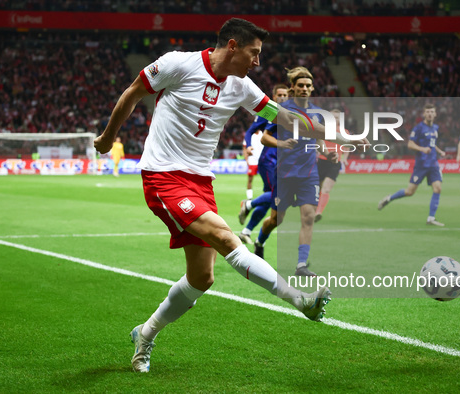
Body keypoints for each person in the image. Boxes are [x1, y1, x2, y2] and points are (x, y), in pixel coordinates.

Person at [94, 18, 358, 373]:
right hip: (163, 177)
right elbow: (133, 92)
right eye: (255, 53)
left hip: (201, 182)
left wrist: (341, 137)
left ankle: (144, 334)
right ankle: (301, 300)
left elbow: (283, 116)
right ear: (232, 45)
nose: (258, 62)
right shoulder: (178, 63)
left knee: (202, 278)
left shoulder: (243, 87)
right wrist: (109, 137)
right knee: (225, 236)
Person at [253, 66, 325, 276]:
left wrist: (327, 152)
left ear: (312, 89)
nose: (304, 89)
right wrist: (282, 144)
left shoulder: (316, 114)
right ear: (292, 87)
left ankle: (301, 265)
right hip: (284, 174)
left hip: (309, 173)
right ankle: (259, 241)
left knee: (308, 217)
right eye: (300, 85)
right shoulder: (281, 110)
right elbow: (265, 137)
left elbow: (318, 139)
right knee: (277, 219)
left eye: (308, 86)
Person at [377, 103, 446, 226]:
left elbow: (432, 143)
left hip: (433, 163)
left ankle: (431, 218)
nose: (430, 114)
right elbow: (410, 144)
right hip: (421, 165)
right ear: (424, 114)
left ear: (435, 114)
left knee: (438, 188)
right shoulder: (419, 128)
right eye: (428, 112)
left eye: (432, 112)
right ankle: (389, 198)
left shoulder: (435, 128)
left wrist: (439, 151)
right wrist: (422, 149)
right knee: (410, 191)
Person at [238, 84, 288, 245]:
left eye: (285, 95)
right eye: (279, 95)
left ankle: (246, 231)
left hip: (281, 162)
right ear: (274, 97)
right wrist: (248, 144)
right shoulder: (269, 112)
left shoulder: (291, 114)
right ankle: (249, 204)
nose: (282, 97)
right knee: (276, 195)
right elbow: (249, 131)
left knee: (270, 200)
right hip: (268, 161)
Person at [314, 109, 349, 223]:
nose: (335, 119)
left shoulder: (345, 132)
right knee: (317, 188)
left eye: (337, 117)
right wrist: (317, 153)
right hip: (322, 161)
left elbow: (348, 146)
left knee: (326, 188)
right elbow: (317, 142)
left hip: (335, 163)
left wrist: (345, 158)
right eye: (333, 117)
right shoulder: (323, 129)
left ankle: (318, 212)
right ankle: (313, 208)